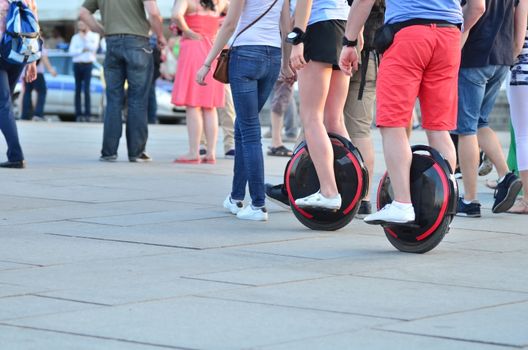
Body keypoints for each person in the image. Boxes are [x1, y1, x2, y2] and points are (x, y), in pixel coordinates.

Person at [340, 0, 467, 225]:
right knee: (439, 129)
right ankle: (444, 210)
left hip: (408, 34)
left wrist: (349, 41)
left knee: (393, 123)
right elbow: (478, 7)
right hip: (449, 35)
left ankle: (402, 203)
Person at [196, 0, 294, 221]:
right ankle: (235, 197)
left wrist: (207, 62)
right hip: (273, 56)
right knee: (242, 126)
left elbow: (229, 24)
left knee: (249, 131)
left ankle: (258, 204)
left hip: (246, 54)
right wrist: (286, 64)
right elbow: (287, 29)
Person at [454, 0, 522, 218]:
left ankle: (470, 200)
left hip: (474, 55)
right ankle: (506, 175)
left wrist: (454, 50)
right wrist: (511, 53)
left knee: (466, 129)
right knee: (480, 122)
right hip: (501, 57)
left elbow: (476, 8)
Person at [79, 0, 166, 163]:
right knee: (137, 100)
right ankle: (136, 152)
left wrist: (103, 31)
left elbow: (83, 13)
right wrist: (160, 35)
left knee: (113, 100)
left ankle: (109, 152)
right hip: (138, 43)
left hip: (112, 43)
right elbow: (153, 13)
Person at [171, 0, 228, 164]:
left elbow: (176, 15)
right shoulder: (220, 2)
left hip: (193, 48)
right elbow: (239, 13)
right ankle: (210, 153)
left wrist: (187, 31)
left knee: (193, 104)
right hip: (213, 48)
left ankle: (193, 152)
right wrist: (219, 25)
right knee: (210, 106)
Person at [343, 0, 385, 217]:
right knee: (360, 130)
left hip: (348, 51)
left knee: (317, 118)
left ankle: (301, 182)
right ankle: (365, 199)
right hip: (372, 58)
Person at [0, 0, 38, 168]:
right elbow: (34, 26)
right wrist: (32, 61)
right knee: (4, 104)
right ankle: (15, 155)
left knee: (3, 104)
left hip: (2, 52)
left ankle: (16, 156)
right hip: (19, 54)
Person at [507, 0, 528, 213]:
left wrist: (508, 61)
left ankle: (527, 200)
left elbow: (518, 43)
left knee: (523, 136)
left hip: (524, 70)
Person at [69, 20, 100, 123]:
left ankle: (87, 114)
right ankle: (78, 114)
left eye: (82, 24)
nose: (80, 27)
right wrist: (82, 50)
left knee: (86, 90)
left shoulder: (94, 36)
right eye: (79, 25)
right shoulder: (75, 37)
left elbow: (93, 47)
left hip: (88, 65)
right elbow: (71, 52)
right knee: (77, 90)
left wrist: (84, 39)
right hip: (77, 64)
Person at [21, 47, 57, 121]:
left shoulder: (25, 41)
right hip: (37, 72)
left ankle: (25, 115)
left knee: (27, 92)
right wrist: (50, 69)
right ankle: (38, 114)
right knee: (42, 92)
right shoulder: (38, 41)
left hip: (26, 72)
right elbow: (43, 57)